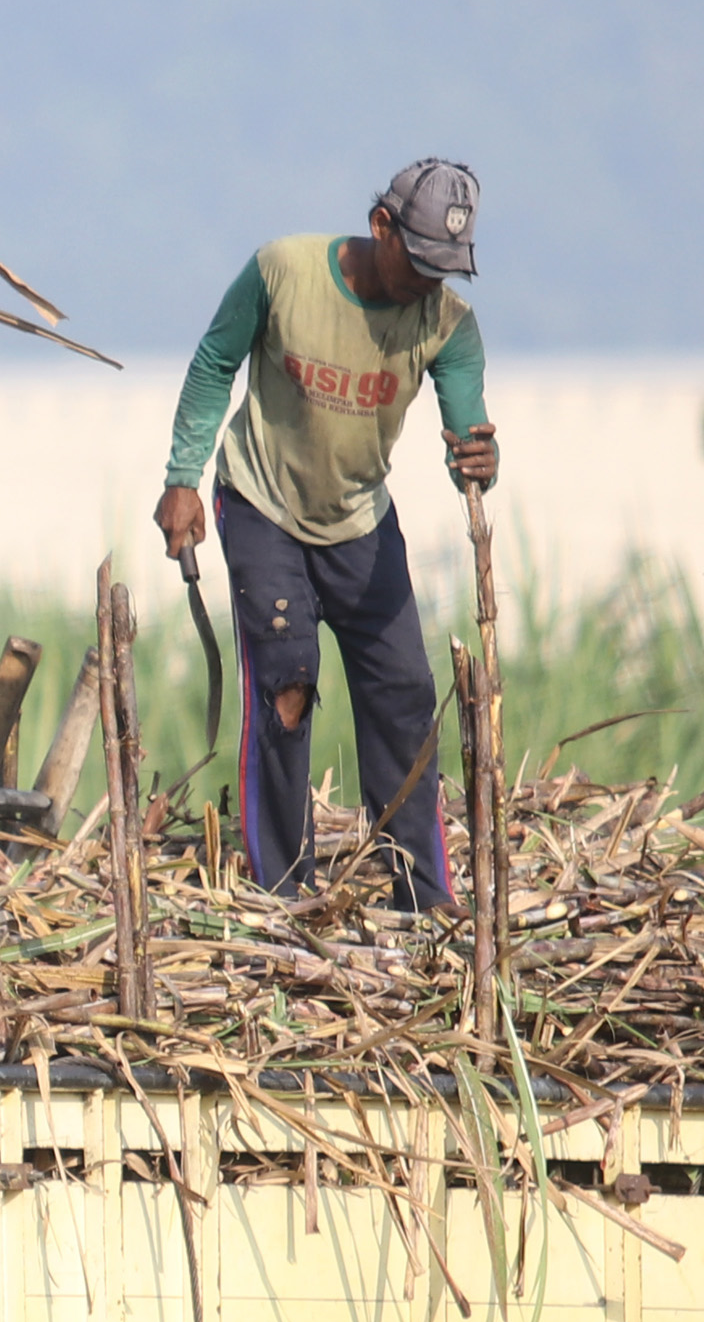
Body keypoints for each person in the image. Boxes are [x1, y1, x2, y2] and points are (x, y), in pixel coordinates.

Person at [153, 158, 500, 910]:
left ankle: (422, 895)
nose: (428, 284)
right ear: (382, 227)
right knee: (288, 683)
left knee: (405, 694)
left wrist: (478, 458)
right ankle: (283, 893)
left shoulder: (447, 325)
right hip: (262, 504)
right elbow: (215, 361)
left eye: (446, 270)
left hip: (358, 519)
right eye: (420, 263)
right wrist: (183, 476)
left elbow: (466, 435)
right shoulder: (284, 272)